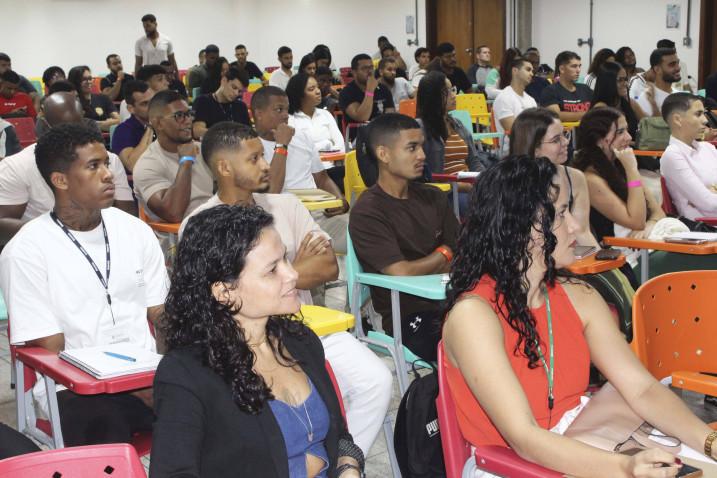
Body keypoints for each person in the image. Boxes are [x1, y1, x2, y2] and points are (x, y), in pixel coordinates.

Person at [442, 153, 717, 477]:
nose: (576, 226)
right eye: (560, 215)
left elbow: (641, 389)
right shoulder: (474, 317)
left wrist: (710, 442)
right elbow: (524, 438)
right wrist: (626, 468)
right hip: (508, 465)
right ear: (522, 229)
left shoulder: (580, 296)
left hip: (583, 437)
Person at [178, 122, 392, 455]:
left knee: (376, 381)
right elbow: (211, 294)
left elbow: (327, 266)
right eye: (253, 159)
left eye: (263, 156)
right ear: (224, 167)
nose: (266, 165)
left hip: (307, 327)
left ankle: (341, 460)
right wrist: (294, 264)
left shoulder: (285, 205)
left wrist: (266, 277)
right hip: (238, 339)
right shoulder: (200, 224)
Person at [151, 205, 365, 478]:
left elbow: (339, 435)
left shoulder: (300, 341)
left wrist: (348, 466)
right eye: (272, 270)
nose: (293, 275)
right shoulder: (187, 375)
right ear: (224, 291)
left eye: (285, 259)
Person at [0, 123, 168, 446]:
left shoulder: (135, 231)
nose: (109, 174)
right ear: (60, 180)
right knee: (104, 426)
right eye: (94, 166)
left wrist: (180, 366)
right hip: (72, 389)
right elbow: (52, 350)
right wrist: (132, 385)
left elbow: (161, 312)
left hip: (146, 377)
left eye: (107, 162)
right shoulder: (26, 251)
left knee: (214, 406)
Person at [350, 113, 458, 361]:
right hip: (405, 316)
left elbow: (463, 251)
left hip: (450, 300)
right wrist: (442, 254)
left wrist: (443, 257)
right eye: (412, 148)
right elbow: (400, 272)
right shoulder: (368, 211)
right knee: (466, 347)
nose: (422, 155)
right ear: (383, 154)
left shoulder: (433, 197)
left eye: (421, 146)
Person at [0, 92, 135, 246]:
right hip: (44, 247)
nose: (69, 136)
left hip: (104, 243)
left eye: (75, 127)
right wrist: (60, 233)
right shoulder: (17, 165)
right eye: (62, 129)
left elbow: (127, 214)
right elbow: (2, 224)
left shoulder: (108, 160)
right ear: (43, 125)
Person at [251, 86, 349, 254]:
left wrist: (340, 200)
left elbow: (322, 179)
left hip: (319, 214)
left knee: (364, 233)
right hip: (279, 220)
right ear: (259, 113)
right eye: (279, 109)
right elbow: (271, 192)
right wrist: (281, 145)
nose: (285, 115)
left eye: (287, 110)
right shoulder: (250, 146)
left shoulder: (302, 137)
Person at [572, 107, 664, 244]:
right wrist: (632, 170)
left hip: (642, 244)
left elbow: (658, 213)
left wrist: (648, 228)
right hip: (616, 254)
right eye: (620, 132)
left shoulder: (620, 163)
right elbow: (636, 222)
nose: (629, 137)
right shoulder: (590, 179)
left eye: (627, 130)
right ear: (599, 140)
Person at [510, 107, 597, 248]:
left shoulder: (575, 177)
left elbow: (583, 233)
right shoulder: (511, 185)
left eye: (564, 134)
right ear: (535, 149)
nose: (566, 142)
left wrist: (603, 266)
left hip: (573, 256)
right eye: (556, 140)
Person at [133, 90, 213, 223]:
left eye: (189, 114)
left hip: (214, 226)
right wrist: (186, 161)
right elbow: (173, 213)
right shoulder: (147, 165)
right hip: (176, 239)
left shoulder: (204, 149)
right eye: (179, 116)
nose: (188, 121)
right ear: (158, 123)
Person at [417, 71, 486, 179]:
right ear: (434, 96)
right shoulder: (420, 128)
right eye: (448, 91)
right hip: (447, 191)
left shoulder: (457, 124)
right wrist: (461, 186)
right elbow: (427, 176)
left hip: (469, 186)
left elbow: (474, 161)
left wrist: (485, 180)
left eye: (453, 90)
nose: (454, 95)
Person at [660, 93, 717, 220]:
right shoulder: (672, 155)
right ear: (677, 120)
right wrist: (708, 194)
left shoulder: (709, 148)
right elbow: (708, 203)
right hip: (703, 228)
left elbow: (708, 202)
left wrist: (710, 193)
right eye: (698, 114)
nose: (705, 120)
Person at [287, 72, 344, 154]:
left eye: (317, 87)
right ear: (299, 94)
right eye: (311, 89)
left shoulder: (325, 114)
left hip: (331, 163)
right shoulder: (290, 119)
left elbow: (340, 144)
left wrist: (322, 151)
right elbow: (298, 151)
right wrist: (326, 144)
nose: (318, 91)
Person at [493, 56, 538, 156]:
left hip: (532, 147)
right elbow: (514, 131)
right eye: (528, 70)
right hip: (511, 152)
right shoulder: (504, 97)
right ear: (515, 71)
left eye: (532, 71)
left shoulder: (531, 100)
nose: (532, 73)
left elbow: (537, 125)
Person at [192, 67, 250, 139]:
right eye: (234, 87)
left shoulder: (241, 106)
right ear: (224, 81)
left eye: (239, 91)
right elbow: (197, 131)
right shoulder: (203, 101)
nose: (236, 93)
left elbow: (248, 133)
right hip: (214, 148)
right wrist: (225, 136)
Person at [592, 61, 645, 139]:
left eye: (626, 79)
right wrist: (636, 144)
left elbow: (647, 125)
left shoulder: (629, 103)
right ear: (608, 82)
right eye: (620, 80)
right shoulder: (601, 108)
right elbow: (604, 140)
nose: (626, 84)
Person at [339, 54, 394, 127]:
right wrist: (370, 90)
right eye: (364, 68)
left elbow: (390, 116)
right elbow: (362, 117)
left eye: (371, 67)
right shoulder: (346, 92)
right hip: (359, 134)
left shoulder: (383, 89)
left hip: (382, 132)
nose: (370, 71)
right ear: (354, 72)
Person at [111, 80, 155, 173]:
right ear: (131, 109)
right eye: (145, 104)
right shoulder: (122, 131)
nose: (152, 107)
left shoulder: (166, 124)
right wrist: (151, 127)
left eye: (153, 101)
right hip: (138, 184)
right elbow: (132, 165)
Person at [540, 51, 592, 122]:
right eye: (574, 66)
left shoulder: (585, 89)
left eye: (579, 66)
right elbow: (556, 116)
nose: (578, 70)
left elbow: (598, 109)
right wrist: (589, 114)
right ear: (562, 69)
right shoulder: (550, 91)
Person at [67, 66, 118, 131]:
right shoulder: (72, 102)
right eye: (84, 79)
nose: (88, 82)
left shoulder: (103, 98)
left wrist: (95, 124)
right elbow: (77, 125)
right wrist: (105, 123)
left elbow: (118, 120)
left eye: (90, 78)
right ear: (75, 82)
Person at [636, 48, 682, 117]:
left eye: (677, 63)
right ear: (657, 69)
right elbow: (650, 127)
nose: (678, 68)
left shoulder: (679, 95)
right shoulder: (646, 98)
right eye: (672, 64)